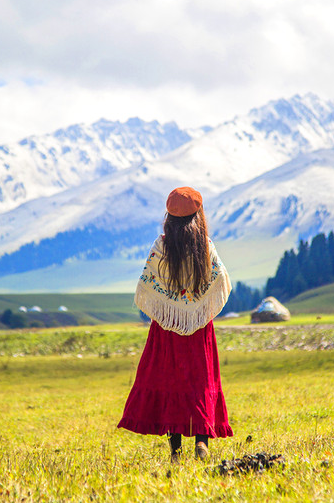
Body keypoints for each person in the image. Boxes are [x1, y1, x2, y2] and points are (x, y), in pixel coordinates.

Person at [118, 186, 233, 462]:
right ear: (199, 214)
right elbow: (221, 280)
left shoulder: (161, 246)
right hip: (199, 325)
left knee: (170, 380)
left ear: (169, 216)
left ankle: (176, 451)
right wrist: (196, 307)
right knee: (200, 379)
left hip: (166, 326)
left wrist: (169, 308)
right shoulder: (205, 246)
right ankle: (202, 442)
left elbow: (148, 283)